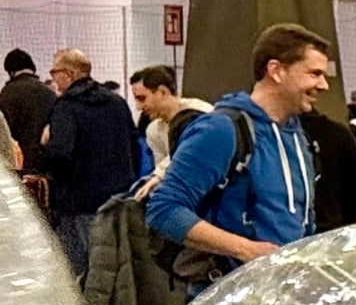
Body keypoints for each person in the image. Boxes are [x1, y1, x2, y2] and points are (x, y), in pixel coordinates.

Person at [147, 22, 329, 277]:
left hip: (283, 297)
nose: (324, 85)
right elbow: (164, 209)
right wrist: (245, 250)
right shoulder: (220, 130)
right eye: (314, 73)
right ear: (276, 70)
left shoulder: (298, 136)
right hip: (231, 300)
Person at [38, 49, 140, 278]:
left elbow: (61, 155)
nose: (53, 77)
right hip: (118, 198)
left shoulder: (66, 107)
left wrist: (47, 145)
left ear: (70, 73)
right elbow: (134, 147)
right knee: (117, 267)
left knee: (83, 271)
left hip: (79, 202)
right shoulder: (117, 103)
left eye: (55, 72)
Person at [128, 65, 213, 178]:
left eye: (142, 99)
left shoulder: (204, 113)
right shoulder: (153, 131)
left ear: (163, 92)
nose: (139, 107)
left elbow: (193, 156)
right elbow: (165, 176)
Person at [1, 48, 53, 184]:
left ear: (11, 72)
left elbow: (5, 135)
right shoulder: (49, 93)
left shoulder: (7, 94)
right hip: (48, 167)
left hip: (21, 168)